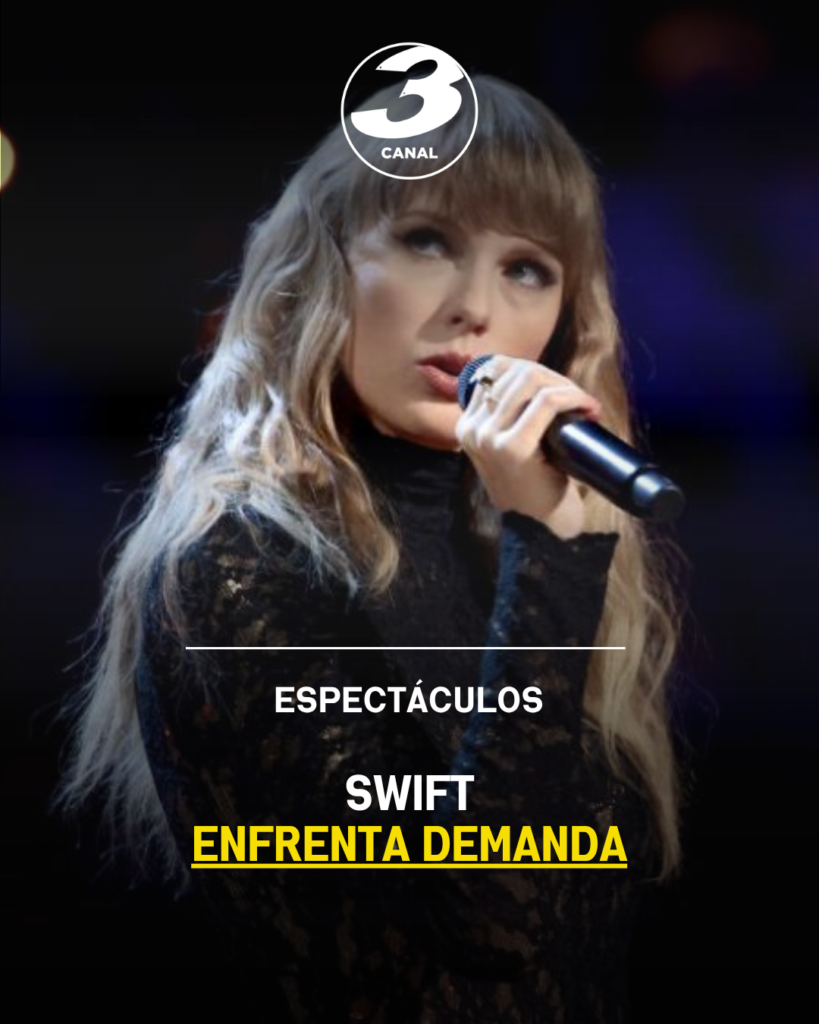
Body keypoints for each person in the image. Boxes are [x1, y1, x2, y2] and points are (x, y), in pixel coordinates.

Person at [60, 75, 680, 1022]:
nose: (474, 308)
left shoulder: (514, 546)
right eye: (428, 240)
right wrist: (550, 562)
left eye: (526, 267)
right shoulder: (237, 563)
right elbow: (489, 921)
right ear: (323, 265)